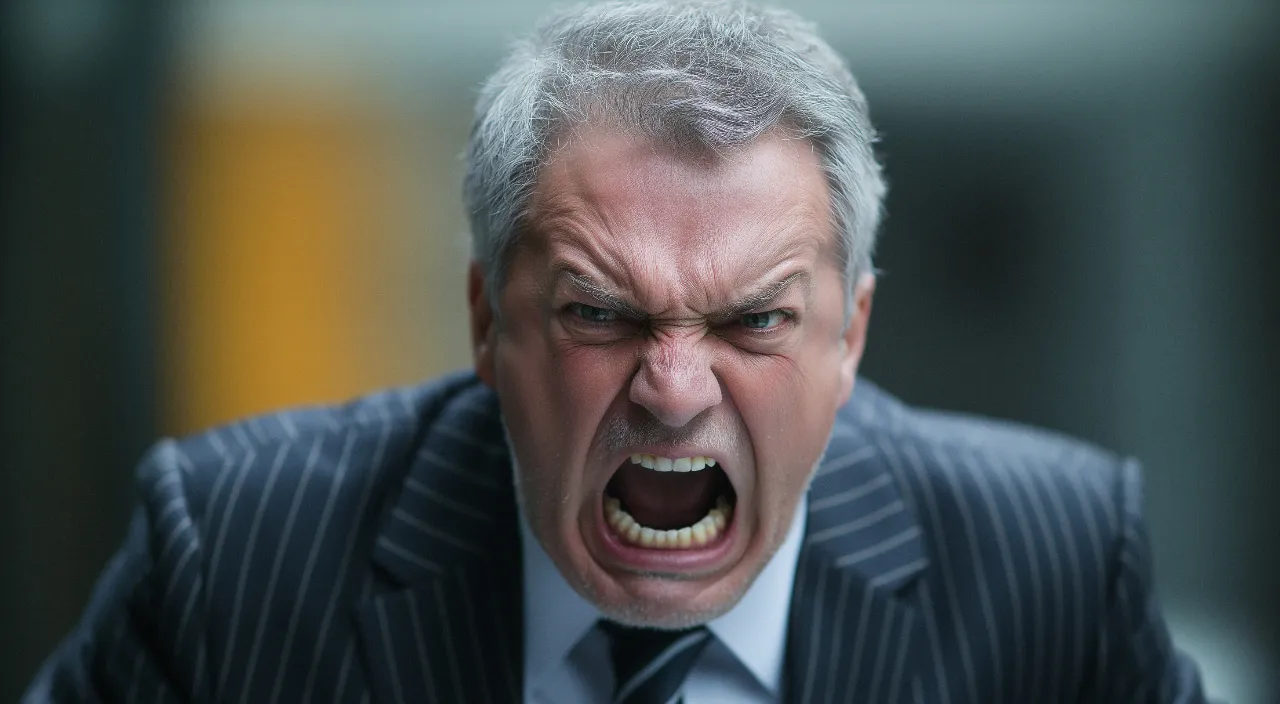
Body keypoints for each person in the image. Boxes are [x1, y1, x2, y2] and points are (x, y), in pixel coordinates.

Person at [26, 1, 1206, 702]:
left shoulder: (1052, 561)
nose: (673, 390)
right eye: (601, 313)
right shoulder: (235, 552)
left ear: (849, 334)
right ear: (487, 320)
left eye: (753, 320)